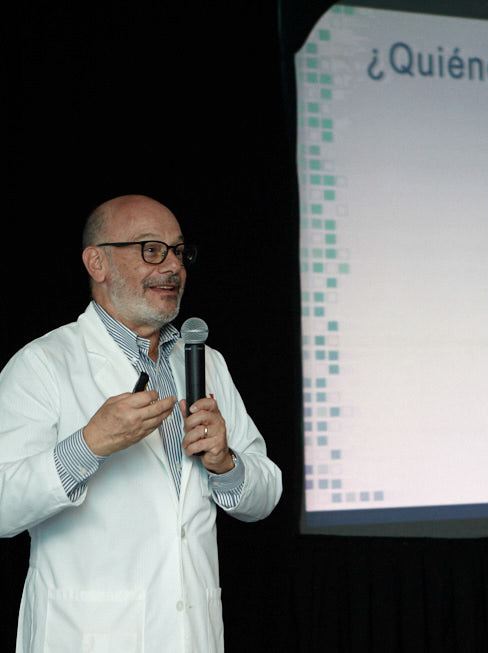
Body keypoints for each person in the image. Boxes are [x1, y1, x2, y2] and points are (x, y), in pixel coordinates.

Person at [0, 195, 282, 652]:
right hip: (87, 637)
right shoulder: (43, 364)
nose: (173, 266)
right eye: (152, 250)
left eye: (179, 251)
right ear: (97, 262)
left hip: (192, 635)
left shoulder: (207, 362)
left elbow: (266, 494)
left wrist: (226, 465)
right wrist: (88, 445)